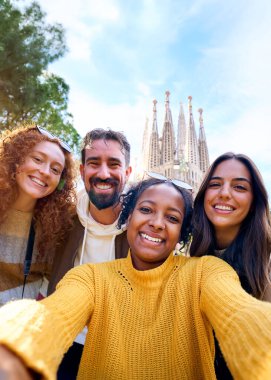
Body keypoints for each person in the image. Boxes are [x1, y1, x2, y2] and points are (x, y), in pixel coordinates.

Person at [1, 178, 271, 379]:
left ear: (182, 234)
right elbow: (52, 316)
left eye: (173, 217)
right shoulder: (91, 278)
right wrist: (13, 347)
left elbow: (239, 314)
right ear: (128, 218)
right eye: (146, 210)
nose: (157, 222)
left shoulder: (206, 272)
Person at [48, 128, 132, 379]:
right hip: (62, 346)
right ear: (83, 171)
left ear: (127, 173)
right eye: (94, 163)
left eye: (114, 164)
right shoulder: (62, 220)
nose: (104, 173)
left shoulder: (144, 228)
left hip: (118, 353)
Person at [190, 152, 271, 379]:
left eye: (240, 187)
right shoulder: (191, 257)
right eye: (215, 184)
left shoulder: (267, 262)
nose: (224, 194)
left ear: (255, 199)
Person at [0, 125, 75, 305]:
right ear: (16, 158)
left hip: (21, 325)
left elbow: (50, 281)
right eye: (38, 159)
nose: (45, 172)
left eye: (55, 170)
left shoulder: (58, 225)